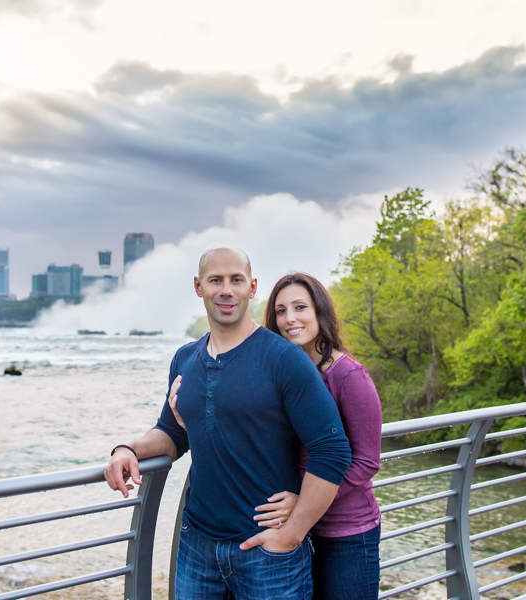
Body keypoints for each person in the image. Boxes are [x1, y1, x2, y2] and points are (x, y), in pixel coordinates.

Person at [104, 247, 351, 600]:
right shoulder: (185, 359)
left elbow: (333, 450)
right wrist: (128, 449)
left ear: (251, 287)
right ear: (198, 286)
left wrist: (292, 534)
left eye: (236, 280)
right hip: (196, 547)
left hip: (267, 553)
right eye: (215, 280)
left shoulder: (284, 359)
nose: (226, 290)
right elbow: (172, 434)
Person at [170, 272, 382, 600]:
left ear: (319, 312)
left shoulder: (348, 376)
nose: (290, 319)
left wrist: (301, 504)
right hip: (298, 523)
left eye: (300, 307)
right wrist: (189, 422)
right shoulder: (282, 368)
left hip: (344, 530)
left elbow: (365, 461)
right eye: (281, 311)